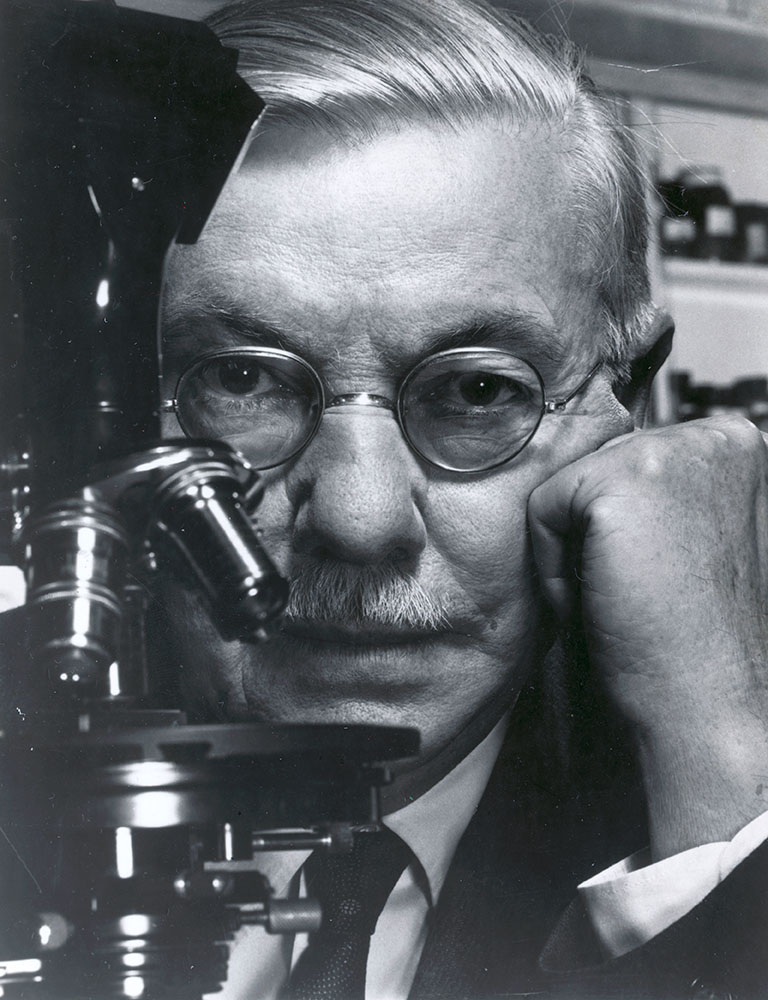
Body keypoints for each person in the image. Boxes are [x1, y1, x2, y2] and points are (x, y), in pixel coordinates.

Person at [20, 0, 768, 997]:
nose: (361, 520)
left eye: (477, 390)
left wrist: (716, 761)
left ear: (624, 401)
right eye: (241, 380)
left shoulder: (713, 758)